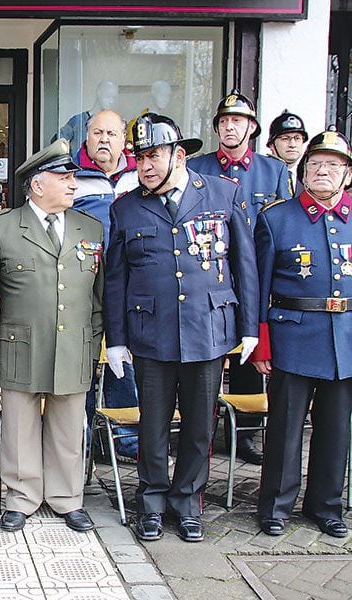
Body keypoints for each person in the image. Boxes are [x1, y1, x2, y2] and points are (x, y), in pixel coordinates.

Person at [105, 113, 258, 543]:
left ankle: (188, 502)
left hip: (208, 329)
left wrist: (250, 328)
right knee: (152, 425)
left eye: (154, 155)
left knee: (198, 426)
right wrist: (115, 340)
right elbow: (116, 279)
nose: (145, 166)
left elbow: (244, 265)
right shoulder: (125, 207)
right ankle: (151, 501)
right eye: (139, 158)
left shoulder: (223, 194)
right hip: (151, 333)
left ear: (180, 154)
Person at [0, 139, 103, 534]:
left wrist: (95, 340)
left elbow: (98, 293)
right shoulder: (2, 228)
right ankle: (22, 497)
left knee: (69, 424)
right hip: (19, 343)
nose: (72, 184)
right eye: (63, 178)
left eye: (73, 178)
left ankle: (67, 498)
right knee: (19, 426)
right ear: (36, 184)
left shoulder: (91, 227)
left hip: (74, 342)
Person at [250, 129, 352, 539]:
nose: (322, 171)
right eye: (315, 164)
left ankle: (327, 506)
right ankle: (275, 506)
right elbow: (257, 286)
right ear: (303, 171)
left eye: (332, 165)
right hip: (292, 338)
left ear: (347, 174)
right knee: (285, 429)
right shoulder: (277, 218)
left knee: (335, 431)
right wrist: (260, 340)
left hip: (344, 340)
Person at [188, 89, 291, 465]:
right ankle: (201, 428)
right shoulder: (198, 168)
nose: (230, 127)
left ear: (251, 127)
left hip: (255, 275)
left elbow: (282, 227)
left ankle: (243, 435)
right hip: (209, 272)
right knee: (206, 354)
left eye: (237, 121)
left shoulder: (273, 171)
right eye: (224, 121)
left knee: (248, 353)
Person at [72, 109, 140, 460]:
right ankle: (78, 437)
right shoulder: (71, 176)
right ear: (87, 138)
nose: (103, 140)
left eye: (111, 134)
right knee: (81, 361)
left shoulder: (140, 175)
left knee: (123, 357)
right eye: (97, 133)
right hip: (84, 287)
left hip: (130, 285)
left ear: (123, 141)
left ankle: (124, 437)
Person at [57, 81, 119, 159]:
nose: (111, 101)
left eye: (113, 98)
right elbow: (57, 140)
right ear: (99, 93)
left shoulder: (112, 124)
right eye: (108, 96)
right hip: (79, 168)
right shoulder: (78, 120)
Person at [266, 110, 308, 196]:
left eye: (297, 138)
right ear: (271, 145)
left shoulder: (308, 177)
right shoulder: (260, 173)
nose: (292, 145)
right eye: (285, 138)